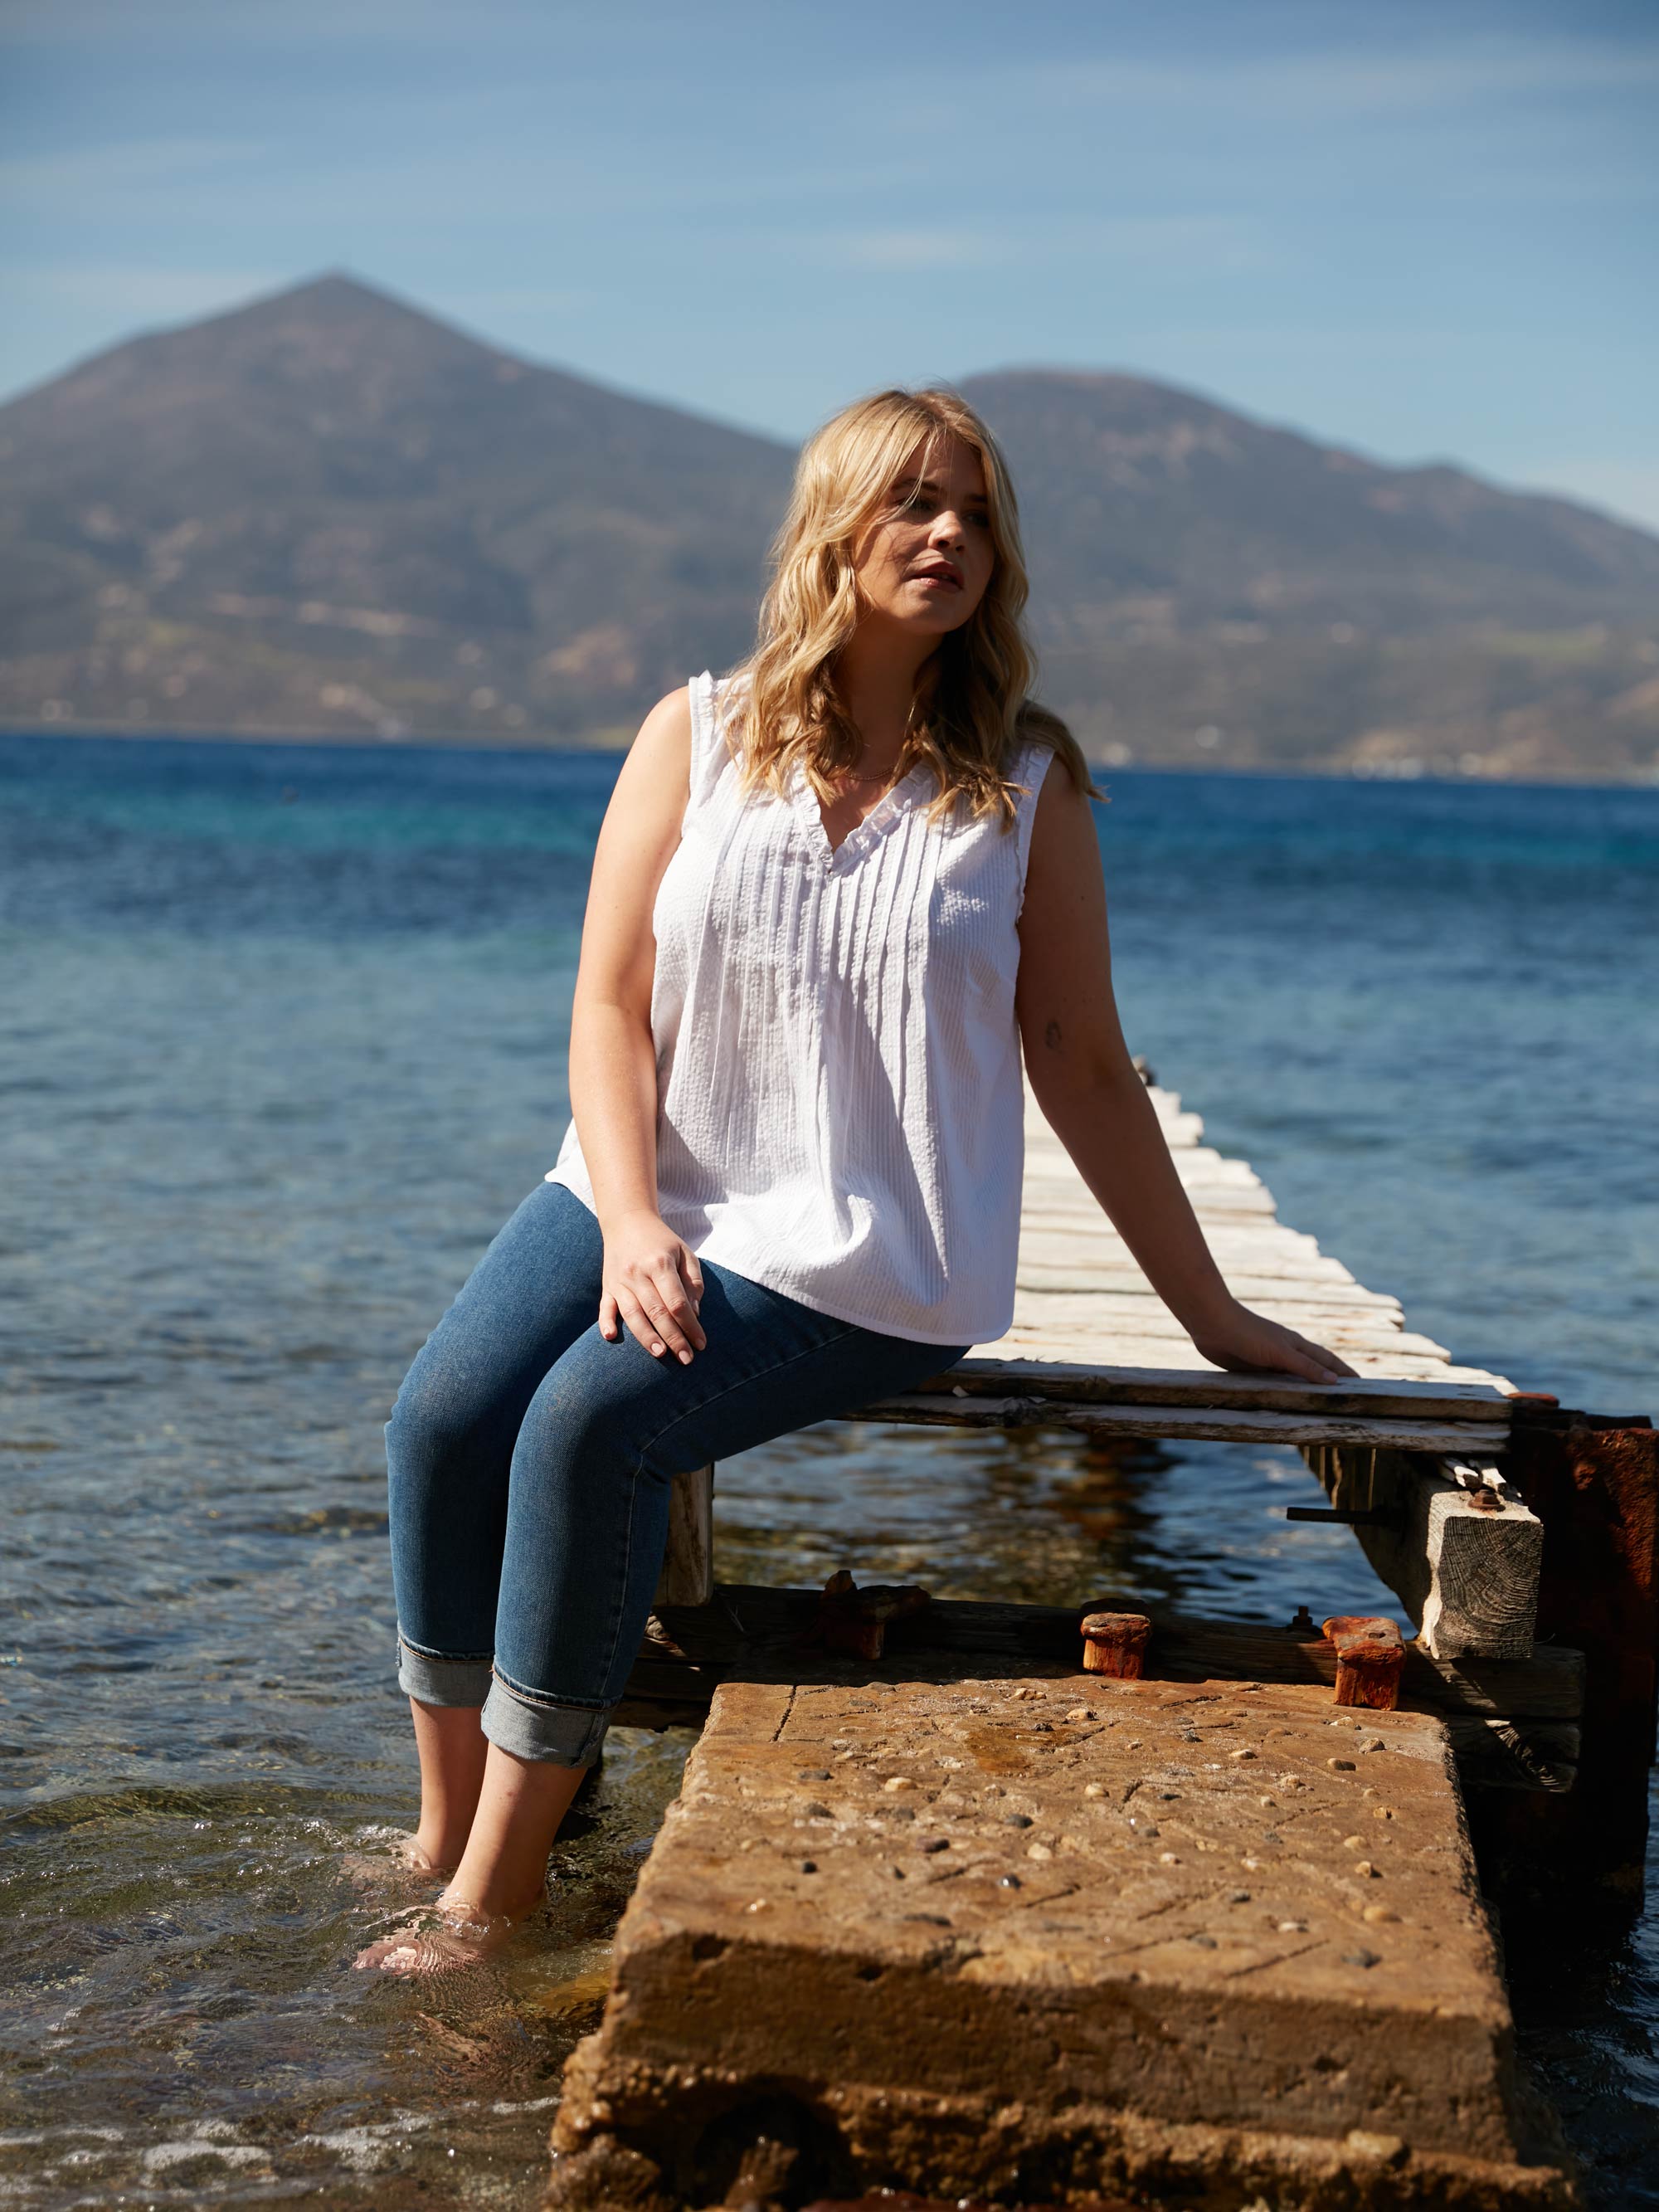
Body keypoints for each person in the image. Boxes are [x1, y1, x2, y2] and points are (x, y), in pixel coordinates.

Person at [354, 387, 1355, 1974]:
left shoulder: (1028, 784)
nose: (950, 532)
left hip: (868, 1249)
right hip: (645, 1183)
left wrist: (1214, 1312)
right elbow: (609, 1000)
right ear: (835, 525)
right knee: (443, 1416)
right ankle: (443, 1819)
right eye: (913, 503)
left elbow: (1082, 1062)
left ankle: (501, 1891)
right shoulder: (701, 729)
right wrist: (625, 1219)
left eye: (974, 511)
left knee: (586, 1428)